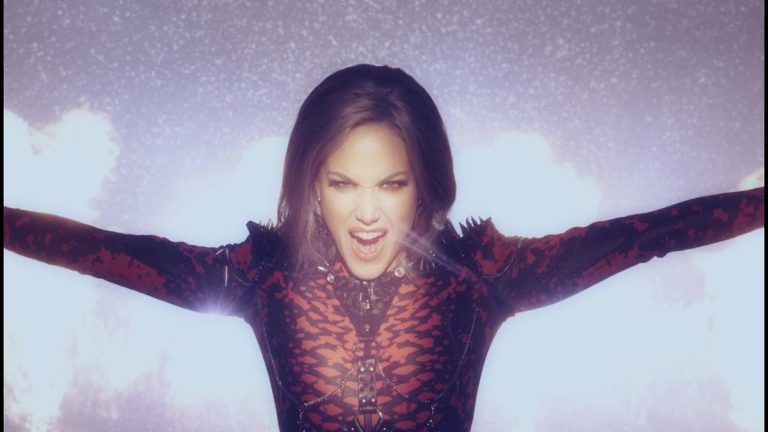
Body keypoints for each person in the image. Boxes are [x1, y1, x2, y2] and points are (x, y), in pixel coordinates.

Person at [3, 64, 764, 432]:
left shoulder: (483, 277)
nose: (367, 214)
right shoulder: (260, 278)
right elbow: (97, 250)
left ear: (424, 186)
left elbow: (650, 234)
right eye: (343, 184)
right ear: (311, 184)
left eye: (391, 185)